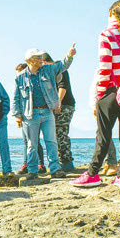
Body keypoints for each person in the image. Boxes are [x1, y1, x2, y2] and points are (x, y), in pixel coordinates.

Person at [71, 0, 120, 188]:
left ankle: (93, 173)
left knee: (103, 135)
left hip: (112, 91)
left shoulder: (106, 34)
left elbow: (105, 67)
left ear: (111, 12)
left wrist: (99, 95)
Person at [12, 44, 77, 180]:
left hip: (47, 112)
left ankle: (55, 169)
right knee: (31, 144)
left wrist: (69, 55)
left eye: (41, 57)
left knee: (51, 141)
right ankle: (32, 171)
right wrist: (17, 115)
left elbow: (63, 66)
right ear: (30, 60)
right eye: (38, 57)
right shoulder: (20, 77)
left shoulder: (48, 69)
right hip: (30, 115)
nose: (41, 59)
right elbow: (16, 97)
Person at [42, 53, 76, 173]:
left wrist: (59, 102)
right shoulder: (52, 71)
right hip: (58, 105)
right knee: (57, 133)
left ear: (45, 62)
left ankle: (67, 162)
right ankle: (63, 161)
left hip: (65, 105)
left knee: (61, 132)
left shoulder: (57, 68)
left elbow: (63, 87)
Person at [14, 62, 45, 175]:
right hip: (23, 116)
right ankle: (26, 163)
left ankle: (40, 164)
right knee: (25, 141)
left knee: (34, 140)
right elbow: (17, 100)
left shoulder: (30, 82)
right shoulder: (18, 84)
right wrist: (18, 117)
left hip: (32, 115)